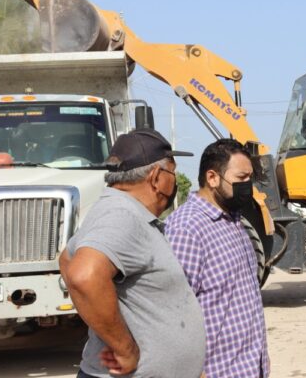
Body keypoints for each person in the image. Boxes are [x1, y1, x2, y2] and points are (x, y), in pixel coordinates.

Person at [59, 128, 206, 378]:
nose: (175, 178)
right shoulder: (122, 216)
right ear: (157, 176)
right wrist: (125, 349)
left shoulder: (118, 210)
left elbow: (67, 258)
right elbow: (83, 275)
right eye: (173, 171)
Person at [165, 139, 269, 378]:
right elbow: (171, 311)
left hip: (249, 369)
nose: (248, 185)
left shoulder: (234, 221)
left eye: (250, 178)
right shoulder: (187, 228)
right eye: (241, 178)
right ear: (212, 178)